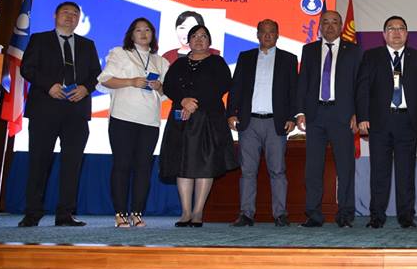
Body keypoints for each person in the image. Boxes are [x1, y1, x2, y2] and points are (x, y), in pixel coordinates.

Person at [18, 1, 101, 227]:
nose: (70, 17)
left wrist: (85, 88)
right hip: (45, 109)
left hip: (76, 110)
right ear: (55, 15)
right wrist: (49, 86)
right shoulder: (39, 39)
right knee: (38, 162)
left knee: (72, 164)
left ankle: (65, 214)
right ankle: (32, 213)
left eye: (75, 14)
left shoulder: (87, 44)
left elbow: (96, 74)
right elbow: (27, 68)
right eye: (66, 12)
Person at [356, 15, 417, 228]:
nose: (396, 32)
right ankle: (376, 217)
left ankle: (406, 217)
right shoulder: (372, 56)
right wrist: (362, 117)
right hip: (379, 122)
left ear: (407, 34)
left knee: (406, 173)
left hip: (407, 121)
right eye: (391, 28)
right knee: (379, 172)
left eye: (401, 28)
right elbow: (362, 88)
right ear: (384, 34)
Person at [159, 24, 237, 226]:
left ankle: (198, 212)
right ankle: (185, 212)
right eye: (194, 36)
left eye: (203, 36)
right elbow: (168, 86)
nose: (199, 39)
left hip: (208, 119)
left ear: (209, 41)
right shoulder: (179, 63)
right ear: (188, 41)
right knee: (182, 165)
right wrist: (183, 100)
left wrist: (195, 103)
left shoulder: (217, 62)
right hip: (181, 120)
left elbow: (222, 86)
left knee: (205, 165)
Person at [98, 17, 169, 228]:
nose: (144, 33)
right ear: (131, 34)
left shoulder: (161, 61)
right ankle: (120, 213)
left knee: (144, 168)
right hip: (123, 117)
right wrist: (131, 81)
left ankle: (137, 213)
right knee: (122, 165)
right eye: (138, 30)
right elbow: (104, 80)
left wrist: (159, 86)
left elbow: (167, 93)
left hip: (150, 121)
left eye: (147, 30)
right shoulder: (120, 53)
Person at [226, 19, 298, 227]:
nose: (267, 35)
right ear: (257, 35)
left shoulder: (288, 59)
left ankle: (280, 214)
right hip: (249, 123)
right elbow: (236, 87)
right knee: (248, 171)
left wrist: (292, 117)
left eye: (271, 32)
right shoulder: (245, 57)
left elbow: (293, 91)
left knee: (278, 170)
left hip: (276, 123)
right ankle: (246, 214)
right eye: (263, 32)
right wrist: (231, 113)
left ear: (278, 35)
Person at [296, 10, 362, 228]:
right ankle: (313, 214)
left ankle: (345, 215)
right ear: (320, 27)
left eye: (335, 22)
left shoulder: (354, 51)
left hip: (343, 116)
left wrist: (358, 113)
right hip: (315, 116)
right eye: (325, 22)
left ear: (341, 26)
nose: (330, 26)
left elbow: (360, 86)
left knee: (345, 168)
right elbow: (303, 83)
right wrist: (300, 112)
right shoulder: (309, 50)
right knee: (313, 169)